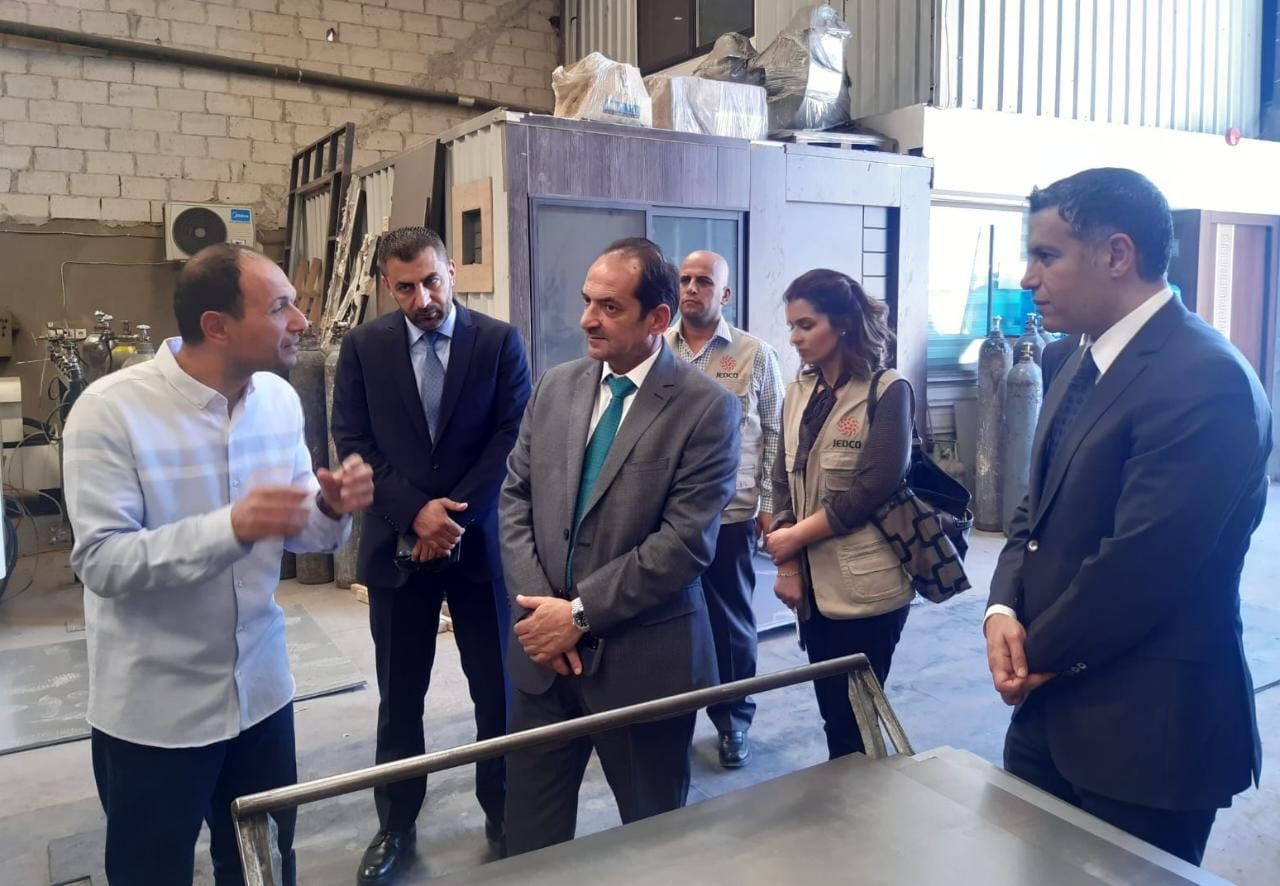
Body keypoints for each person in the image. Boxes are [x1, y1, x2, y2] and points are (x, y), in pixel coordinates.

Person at [62, 243, 374, 885]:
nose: (302, 322)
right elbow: (102, 561)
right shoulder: (111, 411)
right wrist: (230, 527)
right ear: (217, 326)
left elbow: (303, 536)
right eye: (280, 307)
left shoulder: (278, 402)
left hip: (261, 695)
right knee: (151, 871)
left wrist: (329, 507)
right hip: (156, 713)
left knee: (264, 866)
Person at [984, 168, 1271, 866]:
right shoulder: (1068, 358)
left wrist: (1031, 656)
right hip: (1047, 715)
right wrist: (1000, 609)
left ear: (1117, 254)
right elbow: (1033, 509)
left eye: (1046, 255)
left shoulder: (1206, 378)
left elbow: (1142, 567)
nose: (1028, 278)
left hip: (1147, 734)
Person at [500, 237, 740, 854]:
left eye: (609, 307)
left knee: (653, 843)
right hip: (543, 662)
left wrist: (578, 615)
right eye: (587, 301)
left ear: (657, 318)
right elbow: (515, 499)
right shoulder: (555, 387)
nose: (587, 319)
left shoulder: (706, 409)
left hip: (644, 667)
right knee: (528, 844)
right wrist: (541, 614)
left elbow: (684, 544)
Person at [331, 226, 531, 882]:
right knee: (400, 695)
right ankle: (395, 823)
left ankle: (505, 811)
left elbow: (512, 437)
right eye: (406, 288)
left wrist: (453, 519)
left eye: (432, 281)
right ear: (387, 287)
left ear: (452, 272)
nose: (422, 298)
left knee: (495, 691)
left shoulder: (498, 342)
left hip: (480, 552)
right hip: (397, 548)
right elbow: (352, 439)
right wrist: (414, 513)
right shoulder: (363, 348)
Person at [766, 269, 914, 761]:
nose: (794, 338)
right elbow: (781, 478)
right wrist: (789, 564)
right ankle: (848, 790)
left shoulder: (887, 390)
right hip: (813, 589)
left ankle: (867, 797)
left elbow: (872, 487)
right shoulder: (798, 392)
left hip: (867, 589)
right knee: (834, 710)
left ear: (844, 323)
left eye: (806, 325)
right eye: (791, 326)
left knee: (859, 714)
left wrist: (793, 539)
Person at [664, 250, 784, 768]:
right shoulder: (658, 348)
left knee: (730, 624)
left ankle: (733, 720)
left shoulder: (755, 355)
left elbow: (776, 433)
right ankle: (671, 722)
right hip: (667, 516)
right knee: (668, 623)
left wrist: (770, 506)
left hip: (731, 513)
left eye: (704, 282)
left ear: (725, 294)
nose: (692, 289)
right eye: (685, 280)